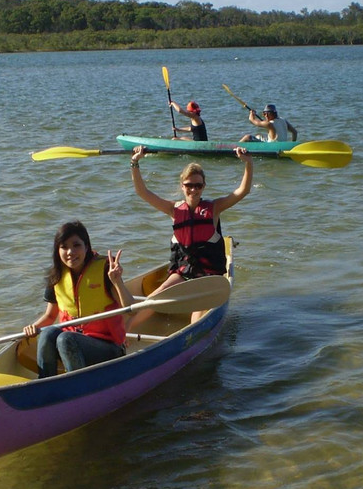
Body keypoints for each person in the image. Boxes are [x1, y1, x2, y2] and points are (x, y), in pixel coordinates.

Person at [129, 146, 252, 321]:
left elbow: (243, 191)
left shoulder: (214, 208)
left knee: (199, 307)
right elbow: (143, 192)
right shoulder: (173, 209)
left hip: (209, 276)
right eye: (189, 185)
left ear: (204, 186)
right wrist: (135, 162)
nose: (194, 190)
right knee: (154, 299)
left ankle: (191, 332)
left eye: (198, 186)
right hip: (184, 272)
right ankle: (124, 334)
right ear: (182, 186)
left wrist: (248, 163)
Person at [22, 221, 133, 378]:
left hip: (109, 348)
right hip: (71, 344)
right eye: (64, 247)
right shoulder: (56, 276)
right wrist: (32, 328)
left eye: (76, 245)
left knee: (65, 339)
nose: (70, 252)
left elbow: (131, 309)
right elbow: (50, 316)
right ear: (57, 250)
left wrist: (117, 282)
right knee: (47, 334)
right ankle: (45, 382)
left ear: (86, 247)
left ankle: (79, 384)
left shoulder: (105, 270)